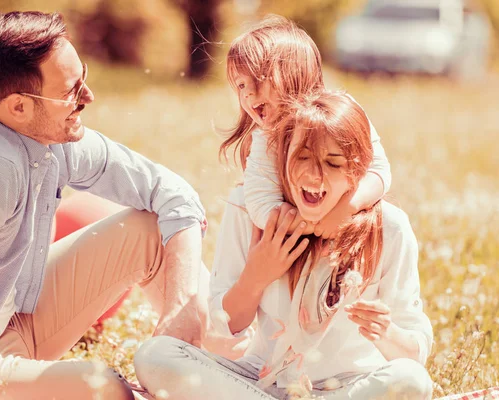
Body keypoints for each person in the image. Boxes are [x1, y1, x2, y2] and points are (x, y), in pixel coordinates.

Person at [0, 11, 212, 400]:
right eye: (70, 90)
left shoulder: (41, 134)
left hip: (11, 319)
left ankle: (230, 371)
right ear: (18, 106)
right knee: (104, 390)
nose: (88, 96)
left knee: (152, 230)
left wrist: (184, 304)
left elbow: (170, 191)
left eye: (82, 75)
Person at [134, 90, 433, 399]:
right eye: (302, 157)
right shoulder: (250, 212)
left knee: (411, 380)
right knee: (156, 356)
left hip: (344, 388)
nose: (313, 175)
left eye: (332, 164)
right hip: (255, 383)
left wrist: (386, 333)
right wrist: (256, 277)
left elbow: (414, 355)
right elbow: (220, 332)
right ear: (282, 158)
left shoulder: (389, 227)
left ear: (355, 172)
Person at [221, 15, 391, 239]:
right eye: (241, 85)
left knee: (391, 219)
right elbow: (260, 203)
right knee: (238, 199)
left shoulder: (340, 117)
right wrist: (311, 226)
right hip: (295, 239)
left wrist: (348, 207)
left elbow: (379, 170)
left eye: (260, 78)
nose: (247, 92)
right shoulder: (264, 138)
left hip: (346, 227)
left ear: (295, 74)